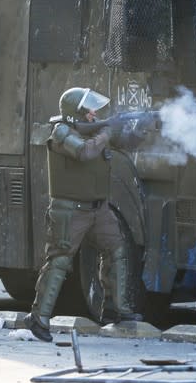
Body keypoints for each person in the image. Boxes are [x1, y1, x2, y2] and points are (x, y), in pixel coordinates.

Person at [24, 87, 143, 342]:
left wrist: (136, 128)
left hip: (98, 209)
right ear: (75, 112)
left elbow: (128, 143)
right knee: (59, 261)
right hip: (70, 211)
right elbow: (85, 152)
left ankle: (116, 310)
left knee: (117, 250)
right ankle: (38, 318)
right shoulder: (61, 132)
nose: (94, 114)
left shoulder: (95, 132)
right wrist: (106, 132)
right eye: (89, 110)